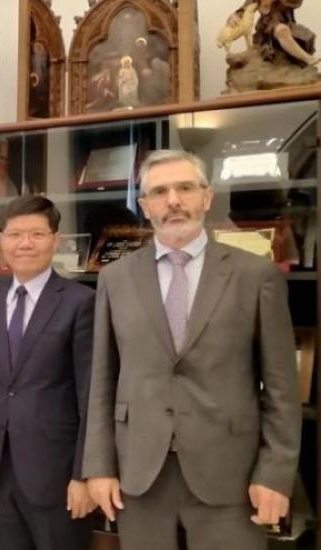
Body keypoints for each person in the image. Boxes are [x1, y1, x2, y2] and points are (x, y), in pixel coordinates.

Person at [84, 150, 301, 550]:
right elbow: (103, 380)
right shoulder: (116, 278)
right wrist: (98, 467)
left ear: (207, 197)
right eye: (160, 191)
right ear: (145, 205)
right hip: (140, 475)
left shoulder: (256, 276)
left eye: (185, 188)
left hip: (231, 475)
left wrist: (275, 473)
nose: (173, 201)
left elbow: (282, 390)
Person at [0, 196, 96, 550]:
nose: (25, 244)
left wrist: (85, 473)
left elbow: (91, 395)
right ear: (1, 240)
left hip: (57, 472)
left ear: (56, 239)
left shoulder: (80, 301)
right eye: (15, 234)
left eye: (37, 234)